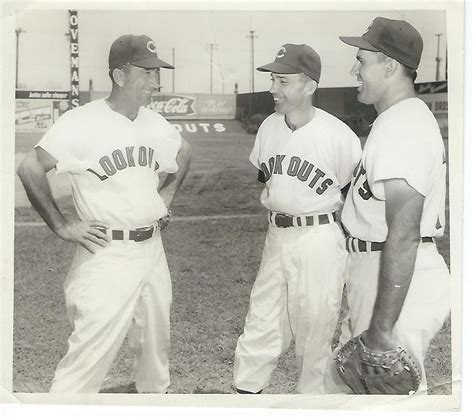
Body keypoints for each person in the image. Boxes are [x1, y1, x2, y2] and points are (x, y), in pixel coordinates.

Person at [17, 34, 191, 393]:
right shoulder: (81, 122)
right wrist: (63, 225)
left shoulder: (154, 123)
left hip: (152, 252)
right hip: (107, 252)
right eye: (146, 72)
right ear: (119, 75)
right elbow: (30, 167)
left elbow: (184, 152)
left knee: (155, 359)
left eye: (157, 73)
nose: (155, 82)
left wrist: (164, 198)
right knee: (86, 362)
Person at [327, 17, 451, 394]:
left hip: (398, 275)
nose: (355, 69)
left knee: (381, 398)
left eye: (362, 60)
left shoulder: (404, 127)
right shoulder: (394, 121)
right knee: (361, 394)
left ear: (391, 66)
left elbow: (404, 232)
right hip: (384, 270)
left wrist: (381, 330)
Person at [233, 44, 362, 394]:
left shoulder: (339, 136)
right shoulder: (269, 128)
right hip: (277, 236)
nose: (273, 88)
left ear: (309, 86)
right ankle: (244, 398)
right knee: (260, 323)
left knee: (314, 334)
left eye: (283, 81)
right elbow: (268, 179)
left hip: (319, 238)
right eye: (273, 79)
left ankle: (312, 406)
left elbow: (354, 193)